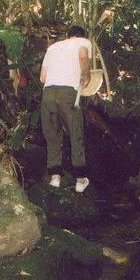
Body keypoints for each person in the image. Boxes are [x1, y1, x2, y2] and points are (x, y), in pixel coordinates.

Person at [40, 25, 91, 193]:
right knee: (75, 133)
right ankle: (80, 180)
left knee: (52, 134)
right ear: (81, 36)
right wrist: (86, 74)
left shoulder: (53, 47)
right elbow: (83, 56)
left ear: (68, 36)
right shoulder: (83, 42)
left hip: (48, 93)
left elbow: (42, 77)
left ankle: (55, 178)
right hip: (67, 93)